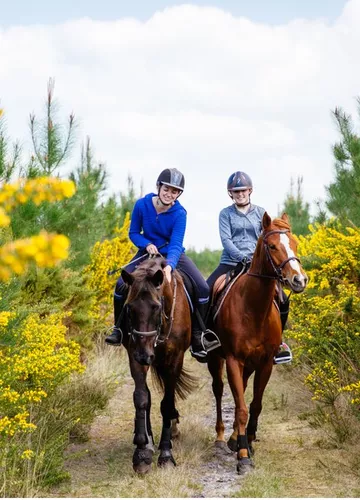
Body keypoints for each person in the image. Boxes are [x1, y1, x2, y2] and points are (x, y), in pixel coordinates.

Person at [105, 168, 220, 362]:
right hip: (146, 252)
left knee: (202, 287)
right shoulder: (141, 205)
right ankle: (118, 330)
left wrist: (169, 266)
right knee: (120, 285)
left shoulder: (180, 213)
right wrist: (146, 244)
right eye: (167, 189)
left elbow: (176, 244)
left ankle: (198, 335)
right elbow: (134, 233)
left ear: (179, 194)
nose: (170, 194)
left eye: (175, 191)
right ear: (159, 186)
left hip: (171, 254)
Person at [207, 171, 292, 365]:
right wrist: (242, 257)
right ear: (230, 193)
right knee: (207, 289)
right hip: (230, 261)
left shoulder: (261, 213)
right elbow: (226, 240)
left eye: (243, 191)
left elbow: (267, 239)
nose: (240, 194)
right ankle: (207, 335)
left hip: (258, 265)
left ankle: (279, 342)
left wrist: (255, 259)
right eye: (236, 192)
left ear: (250, 191)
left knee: (282, 297)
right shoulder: (225, 214)